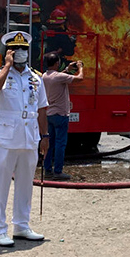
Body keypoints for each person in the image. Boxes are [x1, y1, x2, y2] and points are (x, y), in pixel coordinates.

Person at [0, 31, 50, 247]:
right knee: (0, 184)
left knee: (25, 183)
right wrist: (7, 66)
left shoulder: (36, 77)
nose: (21, 53)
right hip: (4, 135)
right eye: (16, 50)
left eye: (24, 50)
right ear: (8, 52)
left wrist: (45, 136)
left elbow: (41, 108)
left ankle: (21, 225)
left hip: (29, 135)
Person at [42, 52, 83, 180]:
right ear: (57, 63)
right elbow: (80, 78)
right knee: (60, 144)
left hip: (49, 114)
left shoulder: (44, 76)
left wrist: (67, 69)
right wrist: (80, 67)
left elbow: (59, 75)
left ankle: (47, 170)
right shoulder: (59, 77)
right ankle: (58, 171)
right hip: (61, 114)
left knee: (49, 143)